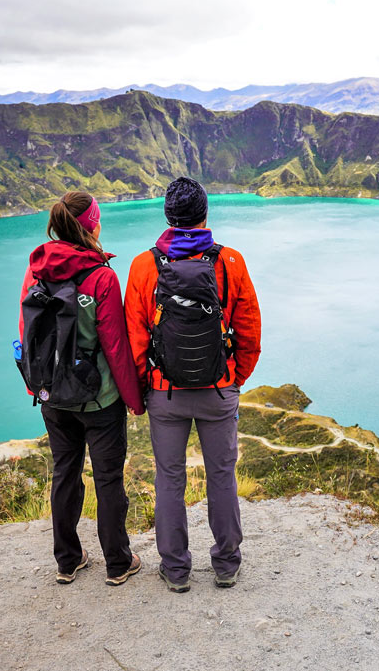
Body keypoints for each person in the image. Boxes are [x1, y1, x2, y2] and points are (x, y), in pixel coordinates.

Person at [125, 177, 261, 592]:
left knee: (169, 478)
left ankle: (177, 569)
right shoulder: (230, 262)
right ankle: (226, 564)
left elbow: (135, 340)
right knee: (222, 475)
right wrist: (234, 378)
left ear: (168, 215)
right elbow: (249, 332)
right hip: (218, 391)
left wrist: (148, 384)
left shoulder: (144, 266)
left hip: (166, 394)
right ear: (205, 214)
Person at [18, 191, 146, 587]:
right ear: (91, 225)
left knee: (64, 473)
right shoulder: (101, 276)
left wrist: (35, 386)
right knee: (108, 480)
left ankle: (68, 560)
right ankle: (118, 563)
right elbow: (116, 345)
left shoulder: (36, 268)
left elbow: (27, 330)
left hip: (52, 394)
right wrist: (133, 398)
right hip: (99, 397)